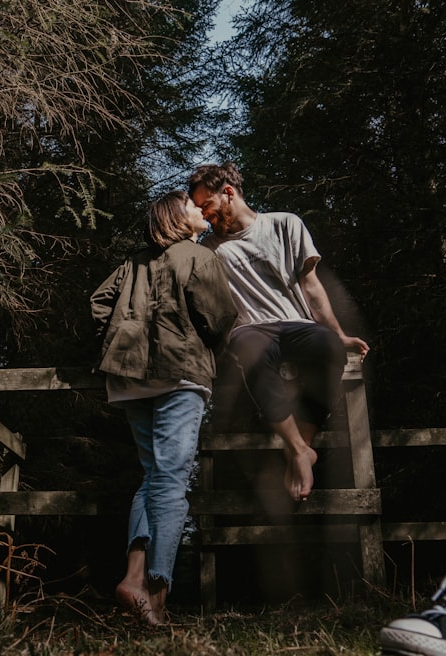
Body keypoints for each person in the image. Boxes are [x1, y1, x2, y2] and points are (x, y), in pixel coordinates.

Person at [90, 190, 238, 625]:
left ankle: (133, 579)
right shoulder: (197, 255)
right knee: (172, 482)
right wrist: (207, 347)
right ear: (179, 217)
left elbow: (99, 304)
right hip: (179, 374)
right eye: (194, 207)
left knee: (153, 476)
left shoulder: (131, 262)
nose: (201, 210)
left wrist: (119, 339)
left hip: (129, 378)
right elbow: (219, 317)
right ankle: (158, 595)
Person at [187, 162, 370, 503]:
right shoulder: (208, 248)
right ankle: (300, 451)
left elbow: (311, 286)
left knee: (330, 348)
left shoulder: (285, 223)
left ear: (228, 193)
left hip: (296, 324)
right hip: (251, 329)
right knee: (249, 347)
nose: (204, 215)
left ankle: (299, 448)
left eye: (206, 206)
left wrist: (339, 334)